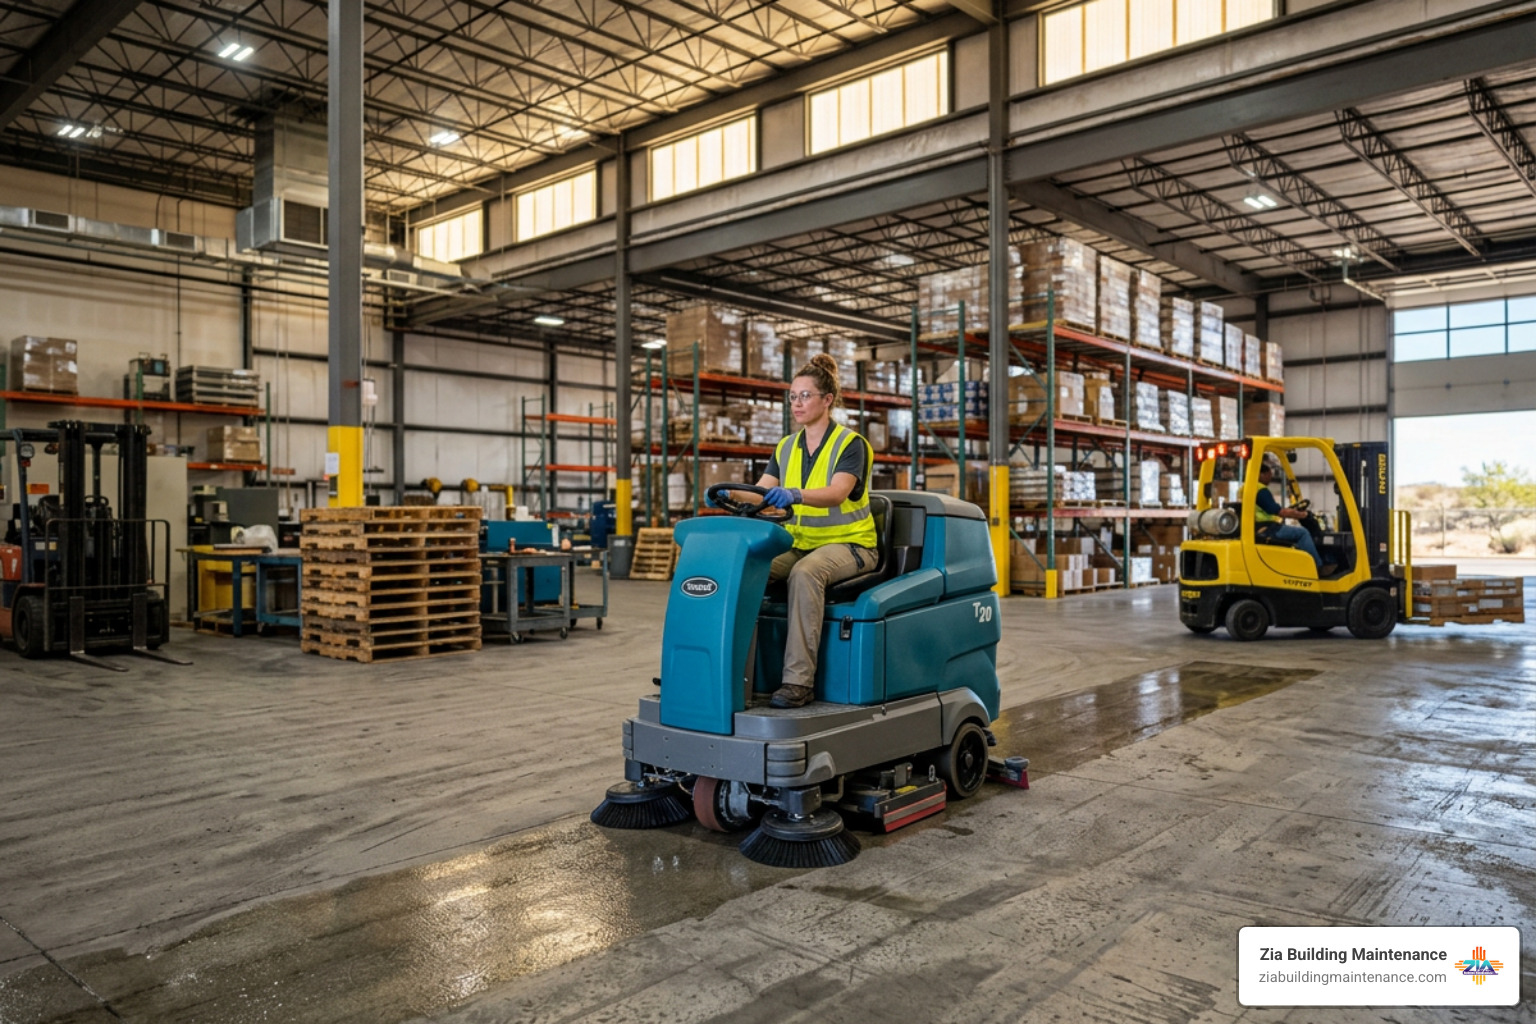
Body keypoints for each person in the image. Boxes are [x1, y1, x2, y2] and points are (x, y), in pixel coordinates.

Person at [748, 353, 878, 708]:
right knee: (744, 566)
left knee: (805, 575)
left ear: (827, 400)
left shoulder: (851, 445)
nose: (796, 403)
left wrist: (795, 495)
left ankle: (797, 683)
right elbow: (761, 490)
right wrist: (727, 493)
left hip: (851, 546)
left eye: (805, 395)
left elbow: (837, 491)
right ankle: (734, 670)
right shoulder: (786, 446)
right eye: (792, 396)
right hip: (800, 543)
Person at [1254, 457, 1325, 574]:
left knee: (1294, 540)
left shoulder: (1245, 489)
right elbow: (1279, 511)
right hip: (1267, 529)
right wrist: (1303, 515)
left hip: (1257, 528)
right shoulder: (1260, 490)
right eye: (1269, 475)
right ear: (1262, 474)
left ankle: (1300, 568)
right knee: (1303, 533)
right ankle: (1318, 567)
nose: (1270, 478)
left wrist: (1293, 511)